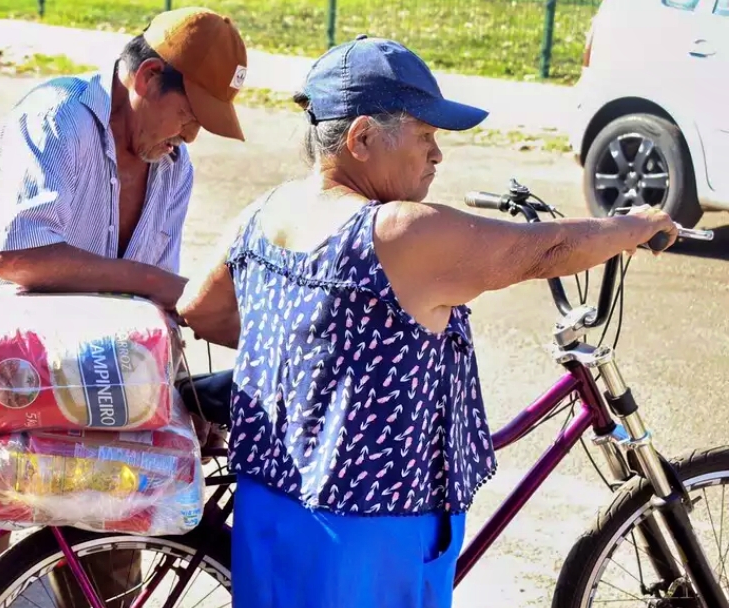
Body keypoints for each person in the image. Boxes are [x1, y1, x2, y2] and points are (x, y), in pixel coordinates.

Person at [176, 36, 678, 608]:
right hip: (372, 525)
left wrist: (319, 344)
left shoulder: (267, 210)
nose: (437, 154)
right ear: (362, 138)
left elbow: (201, 308)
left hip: (270, 504)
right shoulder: (394, 231)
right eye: (425, 135)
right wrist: (632, 227)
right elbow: (545, 249)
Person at [0, 6, 250, 604]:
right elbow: (16, 257)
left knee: (107, 576)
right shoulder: (57, 115)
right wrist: (154, 284)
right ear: (145, 78)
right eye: (188, 114)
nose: (188, 137)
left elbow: (150, 311)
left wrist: (179, 394)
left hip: (95, 391)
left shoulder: (172, 170)